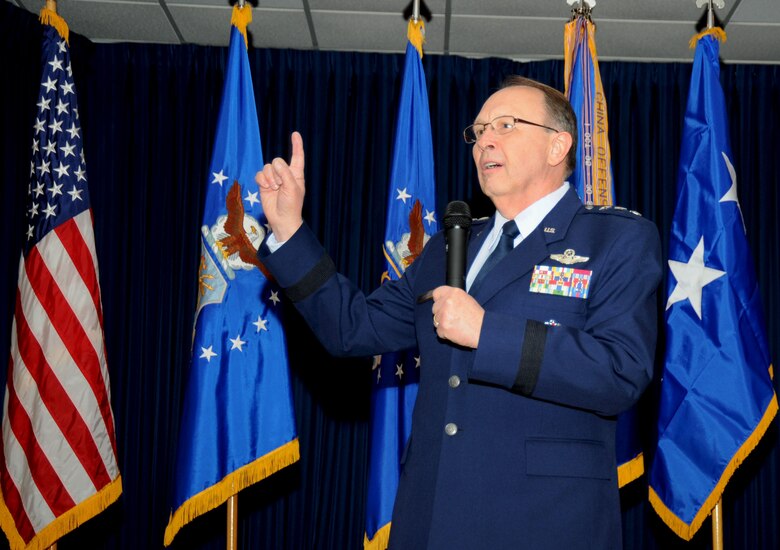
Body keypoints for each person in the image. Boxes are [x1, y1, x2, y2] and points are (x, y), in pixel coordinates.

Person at [255, 76, 662, 549]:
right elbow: (352, 328)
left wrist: (487, 334)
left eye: (506, 125)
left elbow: (620, 371)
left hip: (545, 523)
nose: (485, 139)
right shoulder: (448, 247)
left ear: (558, 146)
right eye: (479, 129)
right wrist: (289, 229)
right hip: (431, 519)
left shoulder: (614, 240)